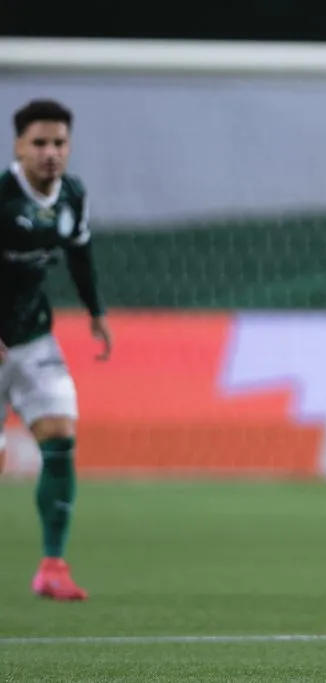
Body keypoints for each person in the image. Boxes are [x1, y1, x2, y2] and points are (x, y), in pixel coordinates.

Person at [0, 98, 112, 600]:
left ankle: (52, 567)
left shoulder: (72, 194)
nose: (51, 153)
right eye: (39, 143)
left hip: (34, 337)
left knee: (60, 436)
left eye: (59, 143)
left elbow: (80, 253)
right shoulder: (3, 198)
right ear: (18, 147)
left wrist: (95, 312)